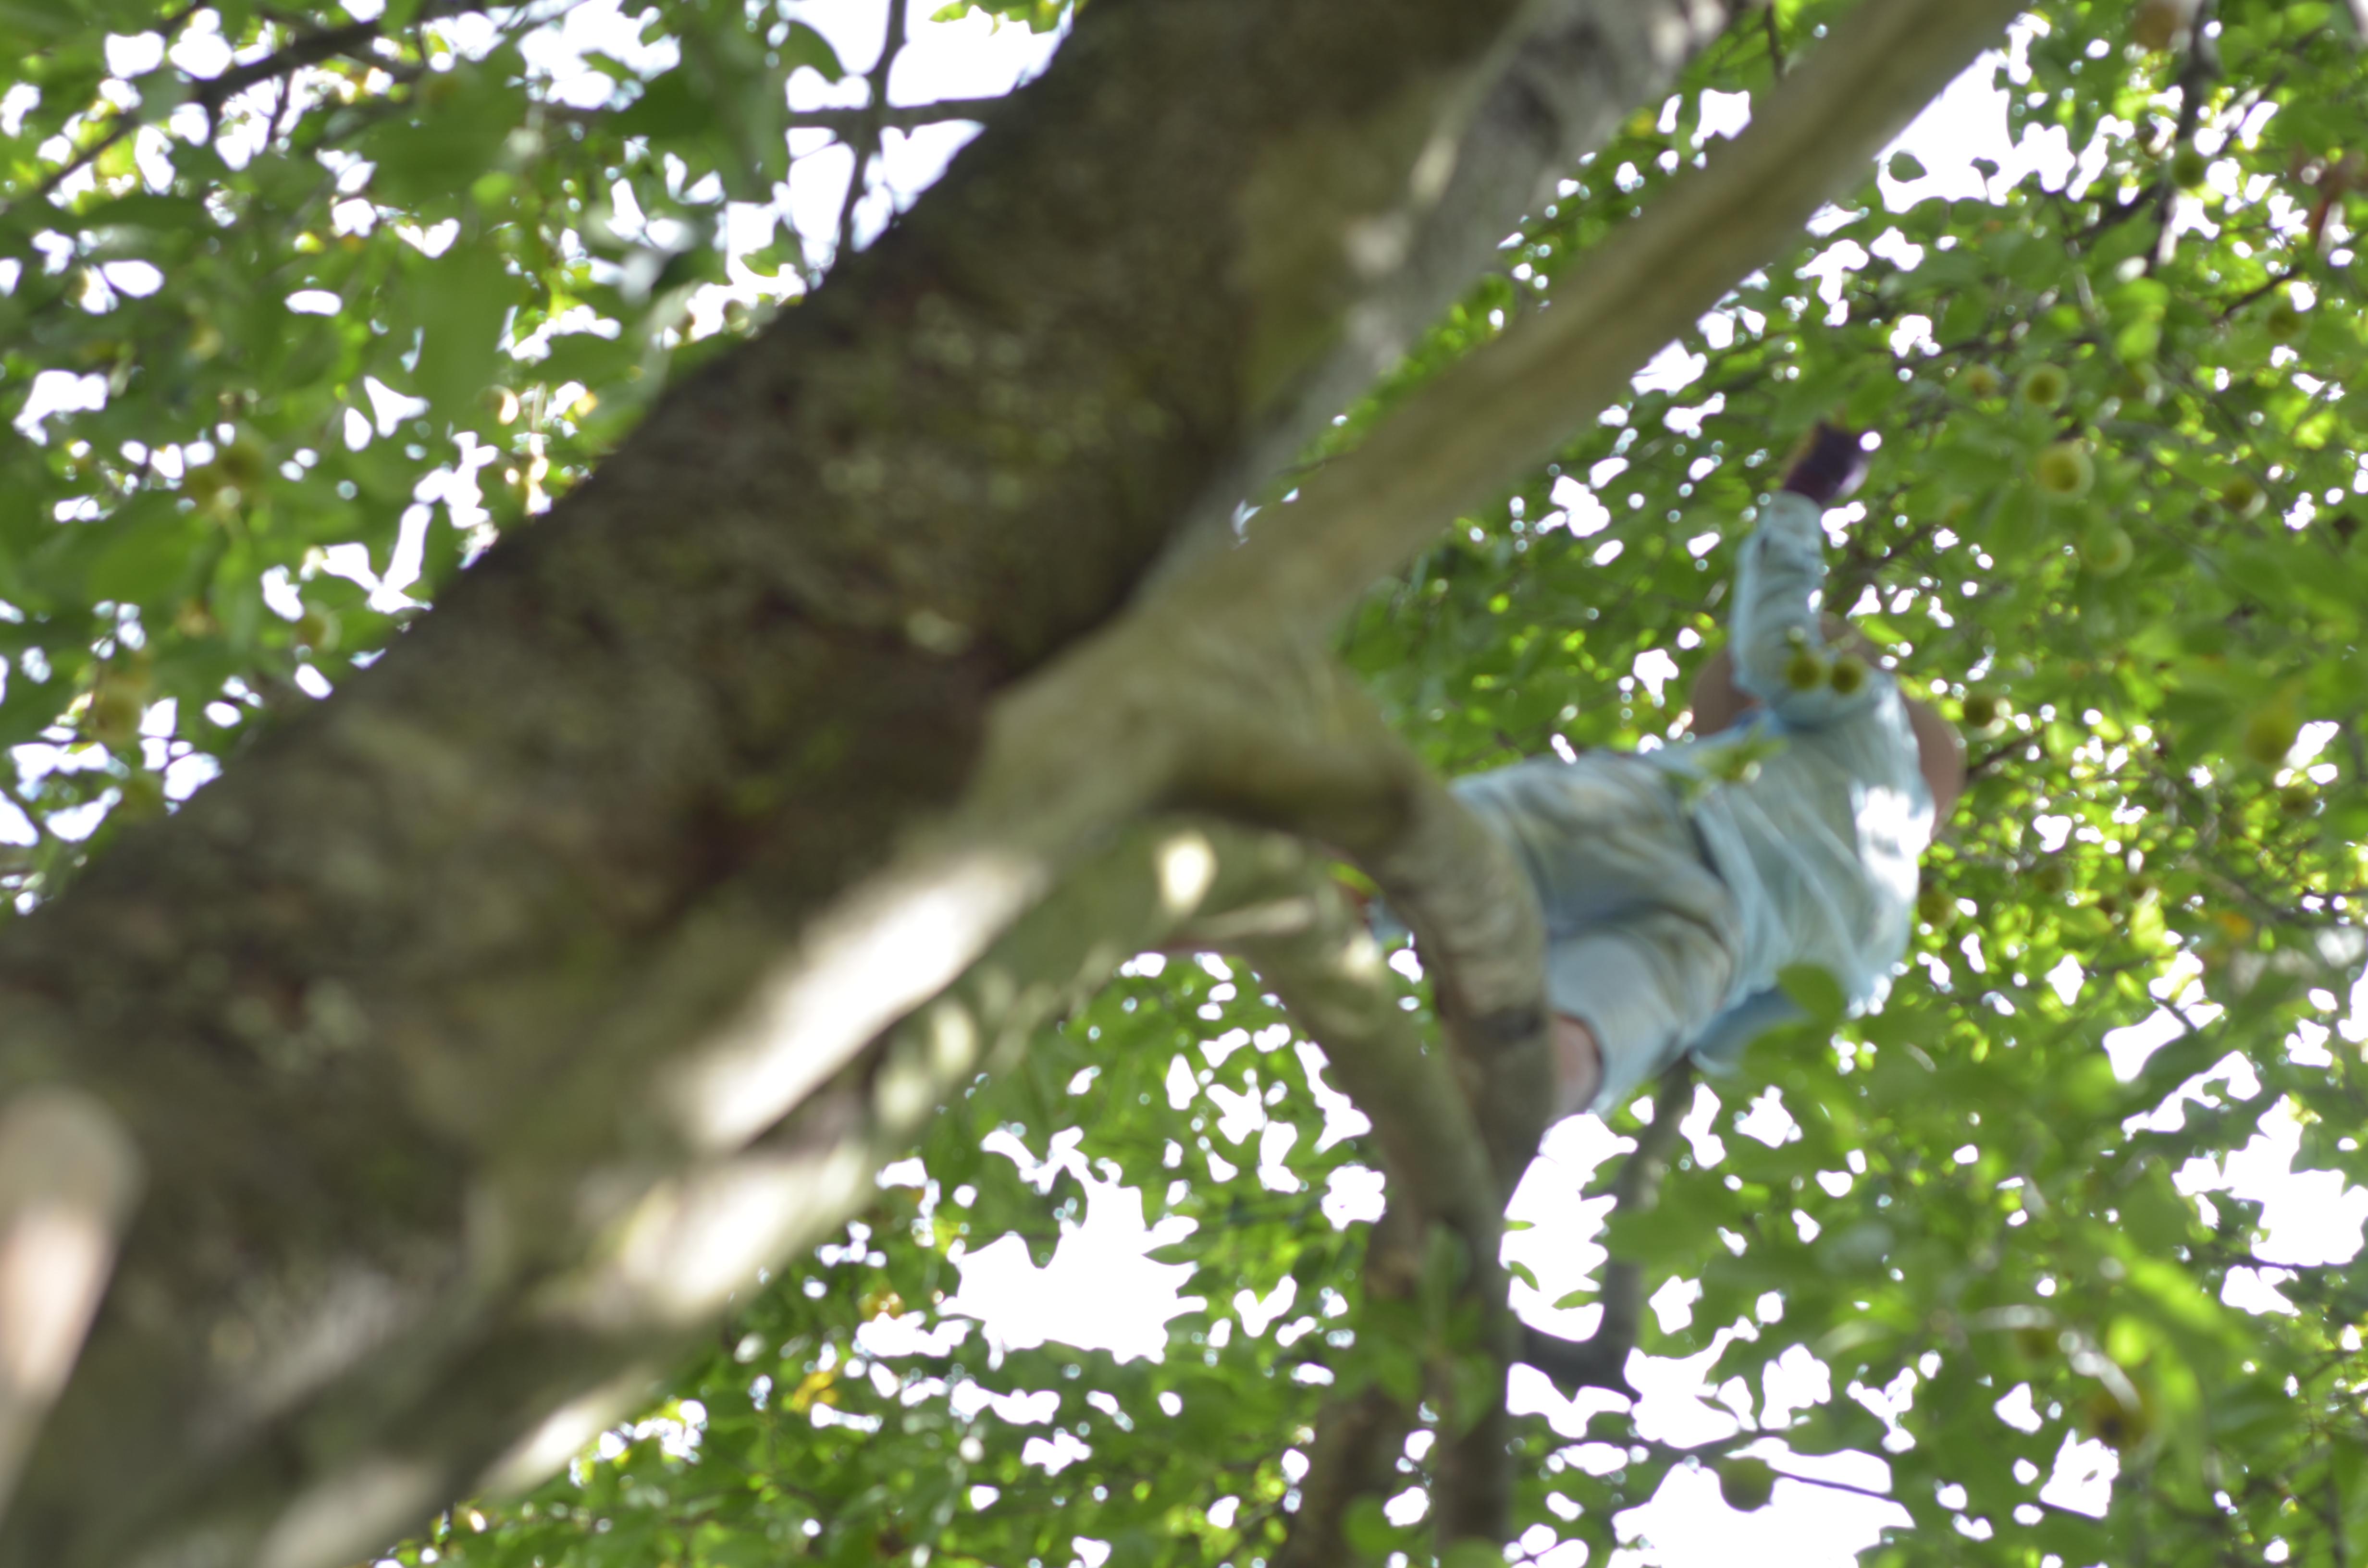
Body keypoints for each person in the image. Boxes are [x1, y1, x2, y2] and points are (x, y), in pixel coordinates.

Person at [1409, 425, 1966, 1118]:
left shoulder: (1867, 711)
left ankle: (1329, 890)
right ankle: (1477, 1132)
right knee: (1573, 1046)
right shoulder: (1882, 941)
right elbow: (1728, 1045)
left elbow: (1773, 652)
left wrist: (1802, 500)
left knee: (1409, 844)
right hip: (1712, 950)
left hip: (1665, 820)